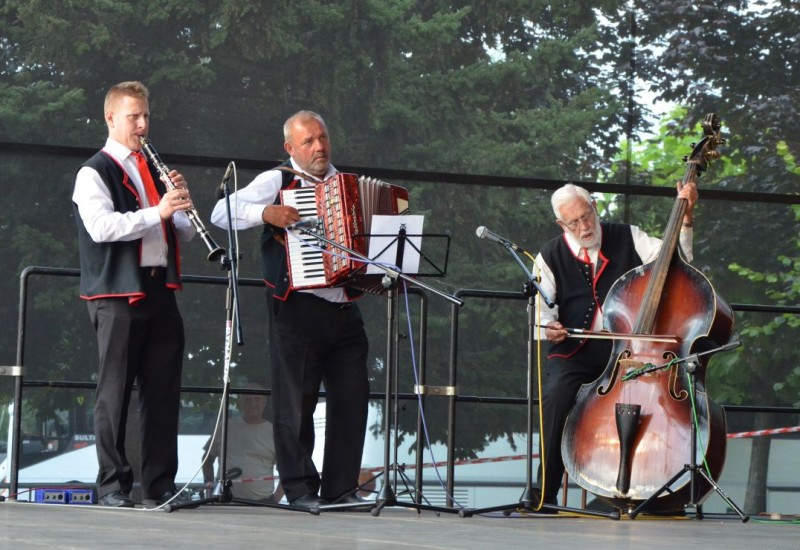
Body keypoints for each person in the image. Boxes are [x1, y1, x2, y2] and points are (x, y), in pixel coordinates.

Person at [210, 111, 370, 510]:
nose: (319, 147)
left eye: (322, 138)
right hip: (297, 308)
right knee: (295, 404)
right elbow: (220, 212)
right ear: (290, 148)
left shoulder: (347, 186)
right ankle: (300, 490)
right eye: (308, 141)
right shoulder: (277, 180)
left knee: (352, 399)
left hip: (344, 307)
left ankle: (341, 489)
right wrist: (266, 213)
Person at [532, 181, 698, 508]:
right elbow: (540, 314)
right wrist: (549, 327)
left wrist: (687, 219)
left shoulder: (628, 236)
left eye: (586, 216)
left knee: (655, 401)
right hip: (576, 352)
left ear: (595, 207)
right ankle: (544, 493)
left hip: (631, 351)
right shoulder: (549, 256)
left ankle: (653, 492)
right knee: (557, 395)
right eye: (573, 222)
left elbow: (676, 263)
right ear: (561, 224)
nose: (584, 226)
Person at [72, 80, 197, 508]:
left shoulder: (154, 169)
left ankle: (160, 485)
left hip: (160, 289)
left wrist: (179, 206)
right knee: (115, 392)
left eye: (146, 116)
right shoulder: (94, 171)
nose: (142, 125)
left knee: (163, 391)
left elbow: (181, 233)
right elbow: (101, 227)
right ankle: (112, 486)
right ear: (110, 118)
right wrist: (157, 210)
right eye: (133, 117)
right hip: (118, 294)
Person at [202, 383, 284, 503]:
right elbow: (207, 459)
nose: (253, 404)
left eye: (257, 399)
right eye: (247, 400)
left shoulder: (275, 433)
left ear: (264, 403)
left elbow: (288, 470)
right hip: (224, 502)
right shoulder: (225, 426)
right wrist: (209, 485)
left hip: (263, 504)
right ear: (240, 403)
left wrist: (276, 499)